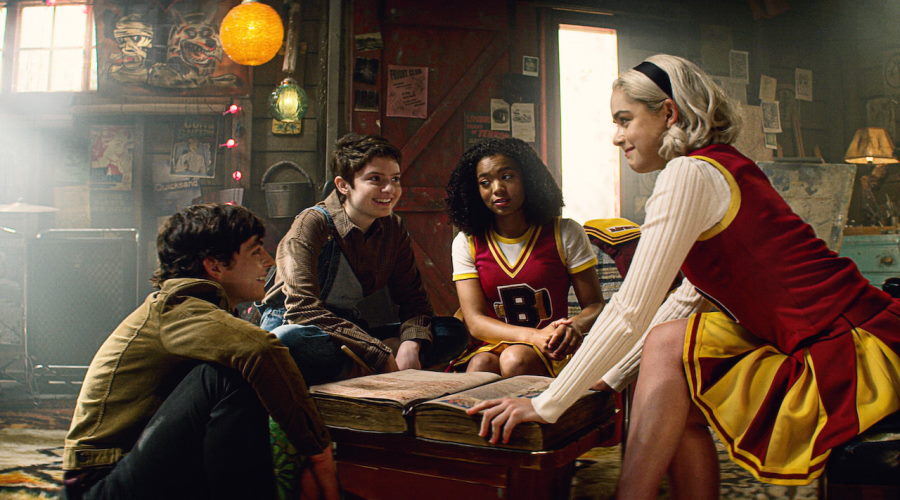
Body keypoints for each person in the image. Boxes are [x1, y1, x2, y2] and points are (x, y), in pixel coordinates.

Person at [468, 54, 900, 498]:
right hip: (822, 331)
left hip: (846, 341)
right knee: (674, 361)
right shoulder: (719, 164)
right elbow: (689, 296)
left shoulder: (689, 172)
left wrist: (550, 402)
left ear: (669, 114)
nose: (617, 137)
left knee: (667, 343)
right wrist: (610, 377)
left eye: (625, 120)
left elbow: (631, 308)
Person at [63, 204, 339, 500]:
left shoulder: (202, 311)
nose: (268, 261)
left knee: (248, 366)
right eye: (255, 251)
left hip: (138, 470)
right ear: (215, 266)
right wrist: (318, 452)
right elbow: (261, 348)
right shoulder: (178, 306)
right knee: (230, 375)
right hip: (99, 484)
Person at [260, 133, 468, 385]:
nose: (390, 190)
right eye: (375, 179)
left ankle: (359, 366)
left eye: (395, 179)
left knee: (451, 331)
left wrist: (411, 343)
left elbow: (414, 302)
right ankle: (370, 363)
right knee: (290, 341)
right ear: (343, 185)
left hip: (351, 330)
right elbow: (302, 309)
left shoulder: (393, 228)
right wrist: (378, 351)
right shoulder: (312, 224)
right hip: (300, 325)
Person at [445, 138, 604, 377]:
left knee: (515, 359)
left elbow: (595, 305)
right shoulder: (467, 242)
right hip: (495, 344)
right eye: (485, 182)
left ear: (528, 179)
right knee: (481, 365)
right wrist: (532, 336)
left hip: (552, 346)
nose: (497, 188)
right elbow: (475, 321)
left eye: (507, 176)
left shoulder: (564, 232)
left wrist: (575, 327)